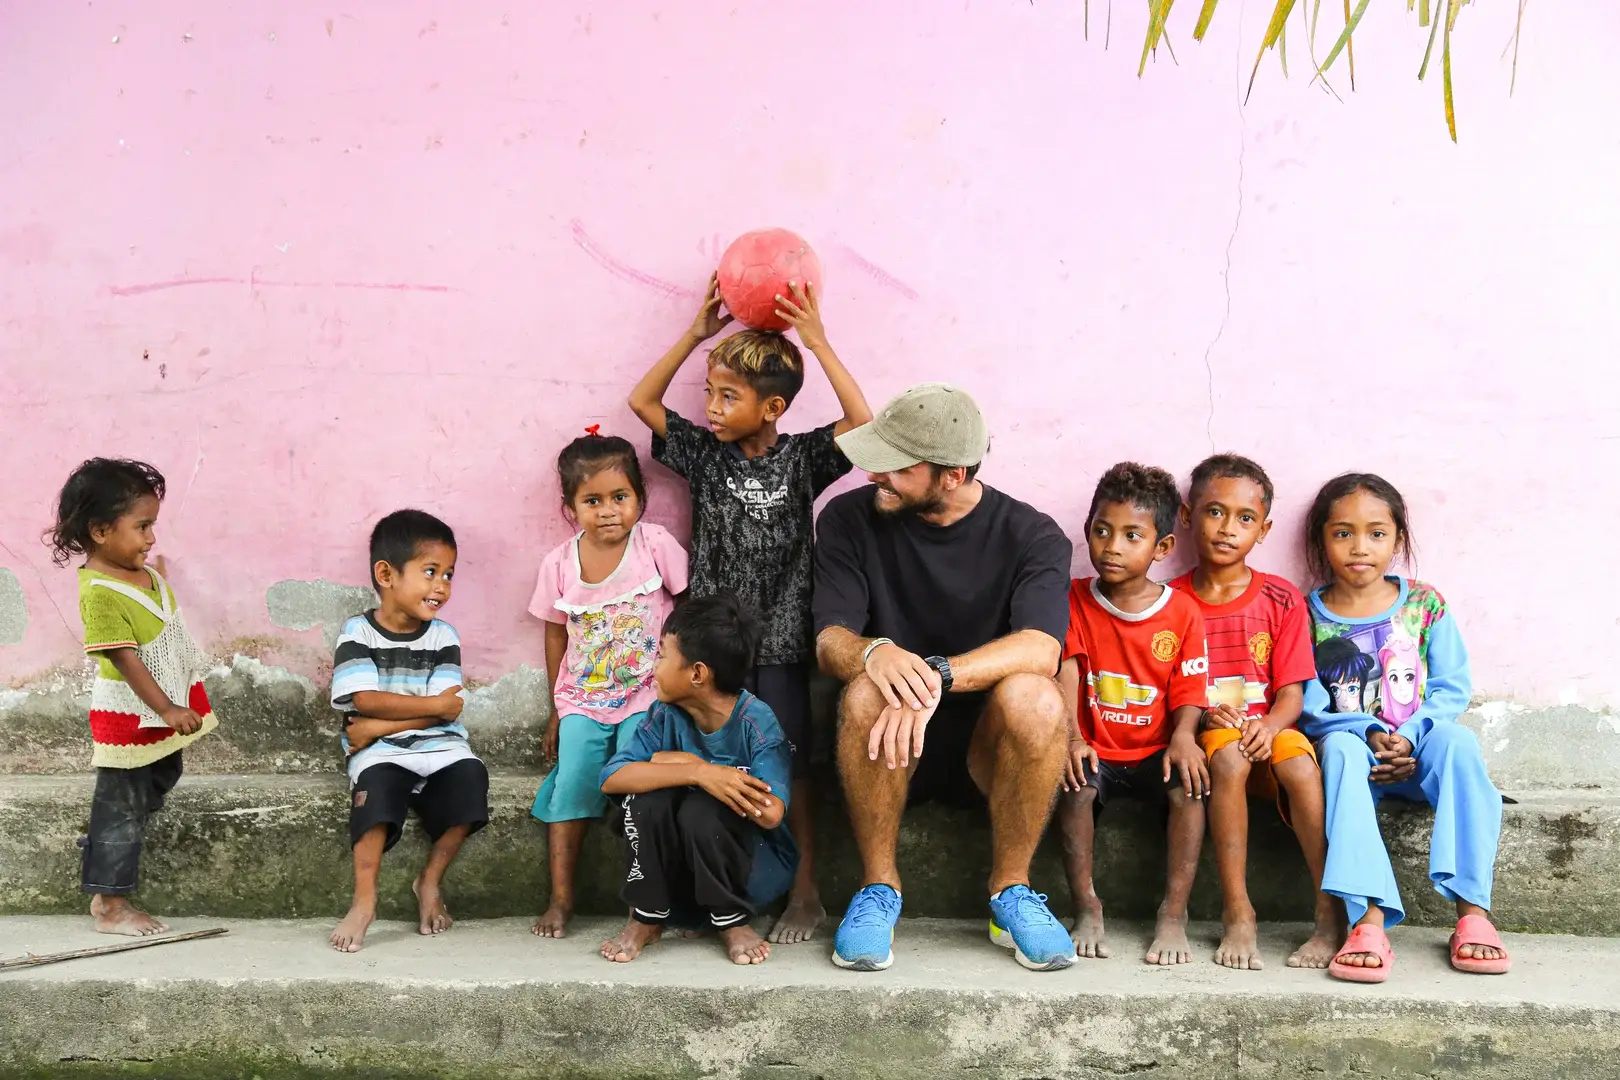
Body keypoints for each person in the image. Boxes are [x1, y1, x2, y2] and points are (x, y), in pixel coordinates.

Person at [628, 272, 871, 945]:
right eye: (709, 392)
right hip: (713, 649)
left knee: (789, 767)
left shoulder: (803, 459)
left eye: (727, 395)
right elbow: (642, 400)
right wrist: (694, 336)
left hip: (786, 644)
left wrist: (817, 343)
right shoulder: (704, 454)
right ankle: (707, 889)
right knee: (701, 757)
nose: (710, 406)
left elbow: (863, 425)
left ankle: (804, 890)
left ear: (770, 409)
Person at [813, 383, 1076, 973]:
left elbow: (1042, 646)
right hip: (885, 745)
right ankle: (879, 890)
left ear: (951, 476)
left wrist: (934, 676)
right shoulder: (848, 518)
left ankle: (1010, 892)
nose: (872, 472)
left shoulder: (1032, 536)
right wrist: (875, 654)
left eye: (894, 465)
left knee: (1036, 696)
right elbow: (831, 639)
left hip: (991, 745)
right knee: (863, 688)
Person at [1300, 473, 1510, 981]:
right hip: (1357, 750)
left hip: (1422, 745)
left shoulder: (1424, 604)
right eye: (1342, 533)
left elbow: (1451, 686)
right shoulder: (1307, 615)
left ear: (1398, 539)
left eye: (1376, 533)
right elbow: (1309, 704)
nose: (1359, 547)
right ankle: (1368, 918)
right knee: (1340, 753)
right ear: (1321, 540)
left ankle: (1472, 914)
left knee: (1458, 742)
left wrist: (1413, 733)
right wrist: (1368, 731)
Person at [1168, 454, 1337, 971]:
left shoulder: (1282, 600)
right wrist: (1202, 723)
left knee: (1302, 768)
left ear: (1263, 530)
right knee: (1229, 762)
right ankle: (1238, 911)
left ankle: (1329, 915)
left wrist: (1270, 724)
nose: (1227, 528)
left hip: (1270, 726)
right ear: (1186, 516)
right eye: (1215, 512)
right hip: (1213, 735)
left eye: (1245, 519)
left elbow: (1291, 693)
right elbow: (1173, 691)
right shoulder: (1170, 602)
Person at [46, 458, 218, 937]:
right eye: (142, 526)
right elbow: (125, 658)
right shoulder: (99, 592)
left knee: (159, 777)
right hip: (131, 714)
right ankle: (111, 905)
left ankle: (104, 842)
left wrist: (155, 573)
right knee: (123, 804)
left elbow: (152, 613)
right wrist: (166, 707)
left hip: (159, 711)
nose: (151, 537)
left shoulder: (137, 573)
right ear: (101, 531)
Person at [529, 430, 688, 940]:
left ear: (640, 496)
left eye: (620, 497)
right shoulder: (558, 564)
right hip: (583, 700)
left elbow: (688, 613)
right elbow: (555, 634)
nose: (608, 511)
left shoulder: (655, 546)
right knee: (573, 779)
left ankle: (643, 904)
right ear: (569, 507)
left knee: (638, 784)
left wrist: (681, 691)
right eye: (592, 500)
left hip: (646, 695)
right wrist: (558, 708)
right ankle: (560, 898)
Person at [1057, 462, 1209, 966]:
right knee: (1076, 794)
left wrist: (1185, 737)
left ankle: (1174, 913)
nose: (1112, 546)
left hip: (1155, 752)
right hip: (1097, 749)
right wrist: (1073, 737)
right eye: (1102, 530)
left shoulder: (1183, 612)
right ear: (1087, 530)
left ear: (1162, 547)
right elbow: (1069, 669)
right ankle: (1087, 907)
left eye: (1131, 535)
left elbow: (1190, 684)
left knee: (1190, 793)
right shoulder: (1074, 598)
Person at [598, 594, 796, 966]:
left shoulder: (757, 722)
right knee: (644, 801)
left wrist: (694, 777)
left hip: (749, 873)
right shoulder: (664, 715)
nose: (652, 666)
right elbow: (612, 778)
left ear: (697, 673)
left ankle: (731, 920)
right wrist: (697, 770)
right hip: (680, 874)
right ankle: (647, 915)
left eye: (660, 655)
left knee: (701, 810)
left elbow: (770, 813)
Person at [327, 510, 491, 953]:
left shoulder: (443, 636)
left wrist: (379, 724)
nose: (442, 586)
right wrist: (426, 710)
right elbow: (363, 698)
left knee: (472, 781)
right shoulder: (357, 631)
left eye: (449, 575)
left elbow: (446, 711)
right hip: (379, 752)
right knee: (374, 797)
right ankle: (364, 901)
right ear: (386, 574)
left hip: (437, 746)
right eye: (431, 572)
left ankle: (429, 881)